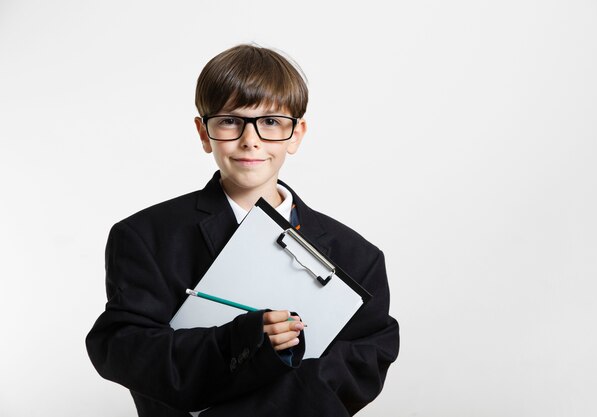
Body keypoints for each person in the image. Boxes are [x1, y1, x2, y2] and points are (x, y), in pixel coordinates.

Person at [86, 44, 400, 417]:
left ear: (296, 134)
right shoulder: (145, 236)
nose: (250, 139)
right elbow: (125, 350)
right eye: (230, 121)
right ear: (204, 133)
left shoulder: (357, 257)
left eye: (270, 122)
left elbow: (365, 360)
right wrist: (242, 340)